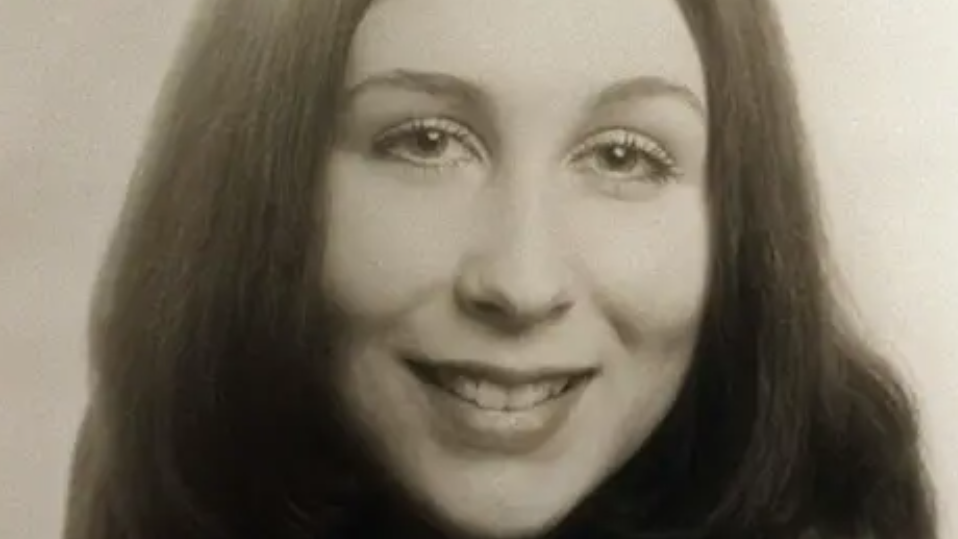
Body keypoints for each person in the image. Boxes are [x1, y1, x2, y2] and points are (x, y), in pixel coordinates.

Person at [62, 0, 938, 538]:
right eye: (426, 141)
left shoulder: (843, 507)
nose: (521, 282)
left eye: (623, 157)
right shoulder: (163, 477)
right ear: (262, 188)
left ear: (738, 218)